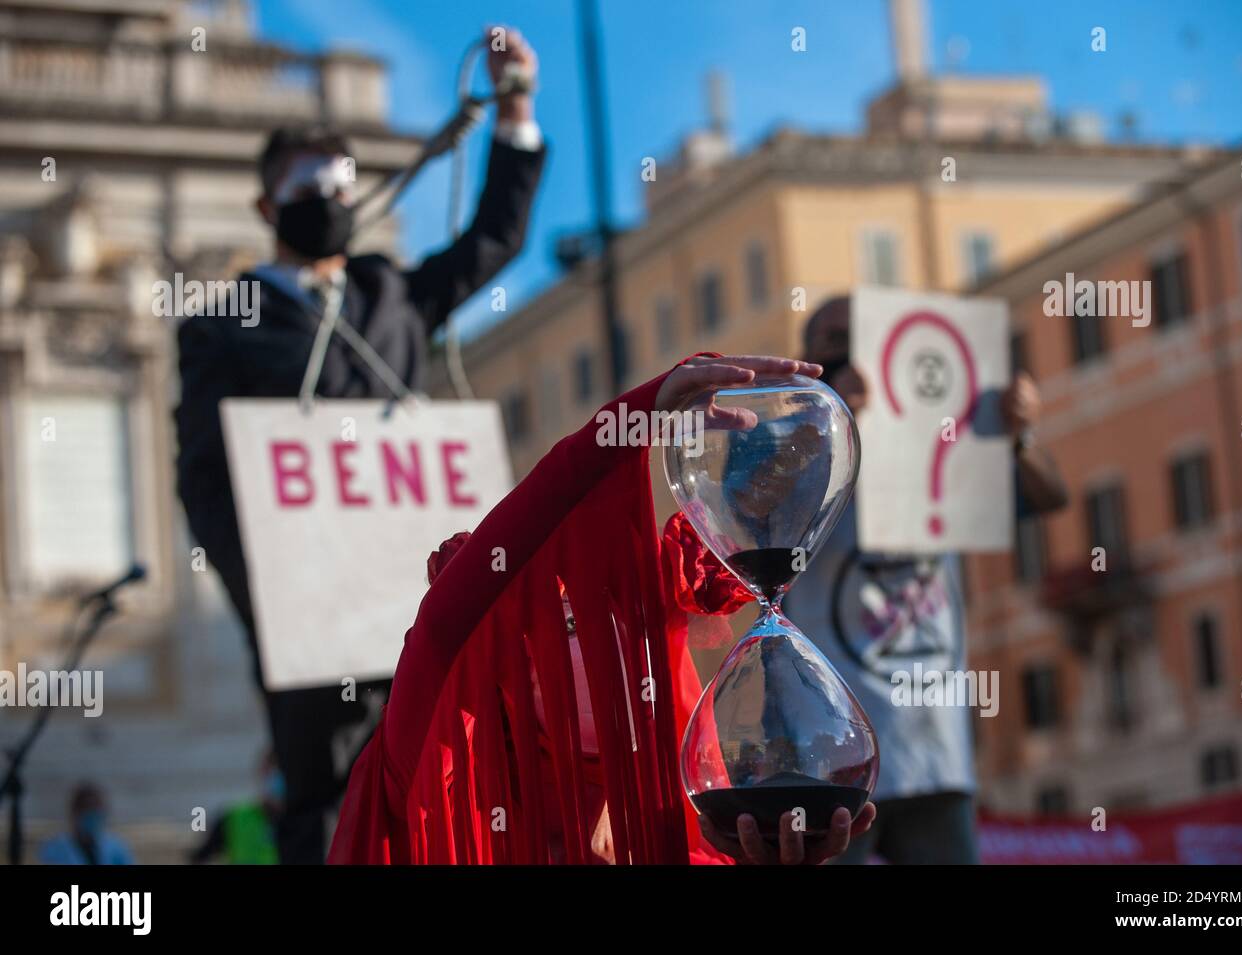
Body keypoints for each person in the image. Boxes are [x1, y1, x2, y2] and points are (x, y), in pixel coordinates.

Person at [174, 27, 546, 864]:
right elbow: (201, 475)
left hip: (416, 595)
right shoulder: (222, 326)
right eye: (305, 182)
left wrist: (513, 105)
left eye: (340, 179)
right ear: (269, 209)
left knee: (450, 768)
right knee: (330, 795)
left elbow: (495, 239)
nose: (328, 194)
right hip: (309, 610)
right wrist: (262, 592)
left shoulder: (392, 293)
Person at [329, 354, 877, 865]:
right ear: (504, 663)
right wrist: (624, 426)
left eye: (621, 618)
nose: (606, 644)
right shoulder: (434, 768)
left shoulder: (678, 825)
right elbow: (459, 614)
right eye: (570, 623)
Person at [785, 295, 1069, 865]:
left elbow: (1049, 496)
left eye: (864, 336)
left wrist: (1020, 436)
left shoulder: (942, 447)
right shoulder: (793, 449)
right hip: (829, 757)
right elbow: (751, 513)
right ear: (807, 360)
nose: (852, 350)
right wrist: (829, 419)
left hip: (934, 752)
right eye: (835, 340)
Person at [189, 751, 284, 865]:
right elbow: (200, 856)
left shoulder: (305, 823)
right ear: (261, 773)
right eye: (271, 771)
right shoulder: (234, 818)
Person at [37, 783, 134, 865]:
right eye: (87, 810)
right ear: (75, 813)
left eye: (96, 811)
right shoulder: (55, 849)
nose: (93, 817)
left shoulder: (116, 848)